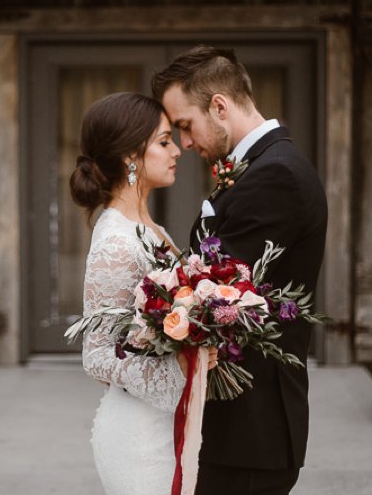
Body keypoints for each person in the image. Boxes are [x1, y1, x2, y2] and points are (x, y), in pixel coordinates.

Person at [152, 45, 328, 495]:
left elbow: (213, 294)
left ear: (219, 106)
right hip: (240, 429)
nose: (186, 143)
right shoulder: (261, 168)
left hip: (251, 428)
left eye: (186, 126)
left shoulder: (277, 176)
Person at [69, 91, 217, 495]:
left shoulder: (153, 229)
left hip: (167, 425)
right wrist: (180, 370)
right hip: (139, 440)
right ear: (132, 155)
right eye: (165, 141)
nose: (177, 151)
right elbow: (96, 355)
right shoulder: (116, 240)